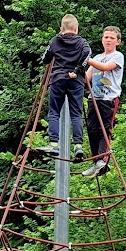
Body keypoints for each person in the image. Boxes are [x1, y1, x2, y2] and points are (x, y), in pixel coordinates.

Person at [40, 14, 91, 162]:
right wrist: (76, 70)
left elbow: (45, 58)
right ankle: (78, 146)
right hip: (76, 82)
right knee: (76, 113)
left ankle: (54, 144)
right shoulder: (82, 42)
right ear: (76, 28)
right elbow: (87, 54)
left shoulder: (56, 40)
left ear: (62, 28)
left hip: (58, 79)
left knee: (54, 111)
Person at [82, 26, 124, 178]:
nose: (108, 40)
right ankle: (96, 161)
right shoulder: (97, 57)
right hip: (95, 98)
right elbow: (87, 78)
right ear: (102, 39)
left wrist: (87, 59)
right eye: (106, 37)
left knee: (104, 129)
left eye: (112, 38)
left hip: (109, 99)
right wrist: (75, 73)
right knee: (92, 129)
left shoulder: (117, 56)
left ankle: (103, 160)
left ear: (117, 42)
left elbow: (106, 67)